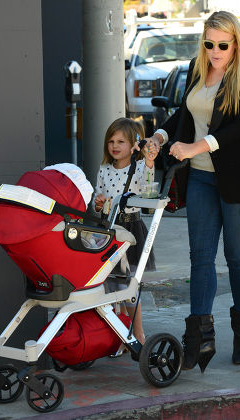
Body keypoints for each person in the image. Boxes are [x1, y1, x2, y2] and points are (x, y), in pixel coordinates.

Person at [143, 11, 240, 372]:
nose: (214, 51)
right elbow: (184, 116)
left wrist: (195, 148)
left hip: (239, 179)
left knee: (237, 256)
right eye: (209, 43)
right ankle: (198, 339)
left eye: (222, 45)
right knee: (200, 257)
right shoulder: (197, 68)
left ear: (236, 44)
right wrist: (160, 137)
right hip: (199, 178)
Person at [93, 117, 159, 349]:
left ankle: (138, 333)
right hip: (108, 229)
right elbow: (97, 200)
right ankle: (120, 333)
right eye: (111, 141)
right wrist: (99, 203)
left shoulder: (140, 167)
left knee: (127, 284)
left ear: (134, 145)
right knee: (110, 284)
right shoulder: (104, 169)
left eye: (121, 141)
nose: (115, 145)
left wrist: (149, 161)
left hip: (130, 229)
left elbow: (149, 191)